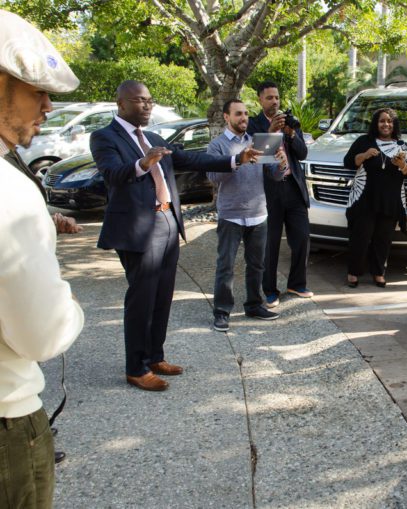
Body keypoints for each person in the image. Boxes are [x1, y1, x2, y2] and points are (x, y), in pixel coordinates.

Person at [90, 80, 261, 392]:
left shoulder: (154, 138)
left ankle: (155, 357)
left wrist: (237, 159)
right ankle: (136, 368)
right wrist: (143, 163)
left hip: (168, 220)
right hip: (139, 228)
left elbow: (193, 160)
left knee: (162, 296)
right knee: (142, 299)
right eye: (139, 100)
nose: (147, 105)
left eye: (149, 100)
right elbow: (112, 174)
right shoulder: (104, 137)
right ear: (121, 103)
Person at [0, 9, 84, 507]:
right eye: (37, 91)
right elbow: (42, 335)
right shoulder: (10, 191)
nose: (48, 106)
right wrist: (69, 307)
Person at [208, 99, 287, 332]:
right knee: (226, 266)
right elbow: (213, 177)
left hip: (258, 213)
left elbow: (274, 176)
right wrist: (238, 161)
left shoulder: (257, 141)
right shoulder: (217, 145)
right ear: (226, 117)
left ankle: (254, 305)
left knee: (256, 265)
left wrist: (281, 164)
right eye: (238, 114)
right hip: (231, 214)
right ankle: (222, 311)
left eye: (245, 114)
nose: (243, 118)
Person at [247, 81, 312, 308]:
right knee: (270, 243)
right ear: (260, 100)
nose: (274, 102)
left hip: (293, 187)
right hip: (268, 191)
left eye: (277, 97)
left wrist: (291, 134)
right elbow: (257, 157)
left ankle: (297, 284)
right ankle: (270, 290)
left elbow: (302, 154)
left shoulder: (289, 122)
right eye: (269, 98)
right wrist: (271, 132)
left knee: (302, 237)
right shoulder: (253, 124)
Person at [344, 108, 407, 288]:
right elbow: (348, 162)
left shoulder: (402, 146)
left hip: (390, 201)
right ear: (376, 123)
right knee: (360, 237)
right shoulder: (364, 141)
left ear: (394, 124)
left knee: (383, 239)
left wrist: (402, 164)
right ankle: (353, 272)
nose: (386, 124)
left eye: (389, 121)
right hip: (365, 199)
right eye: (382, 121)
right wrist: (365, 155)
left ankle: (378, 272)